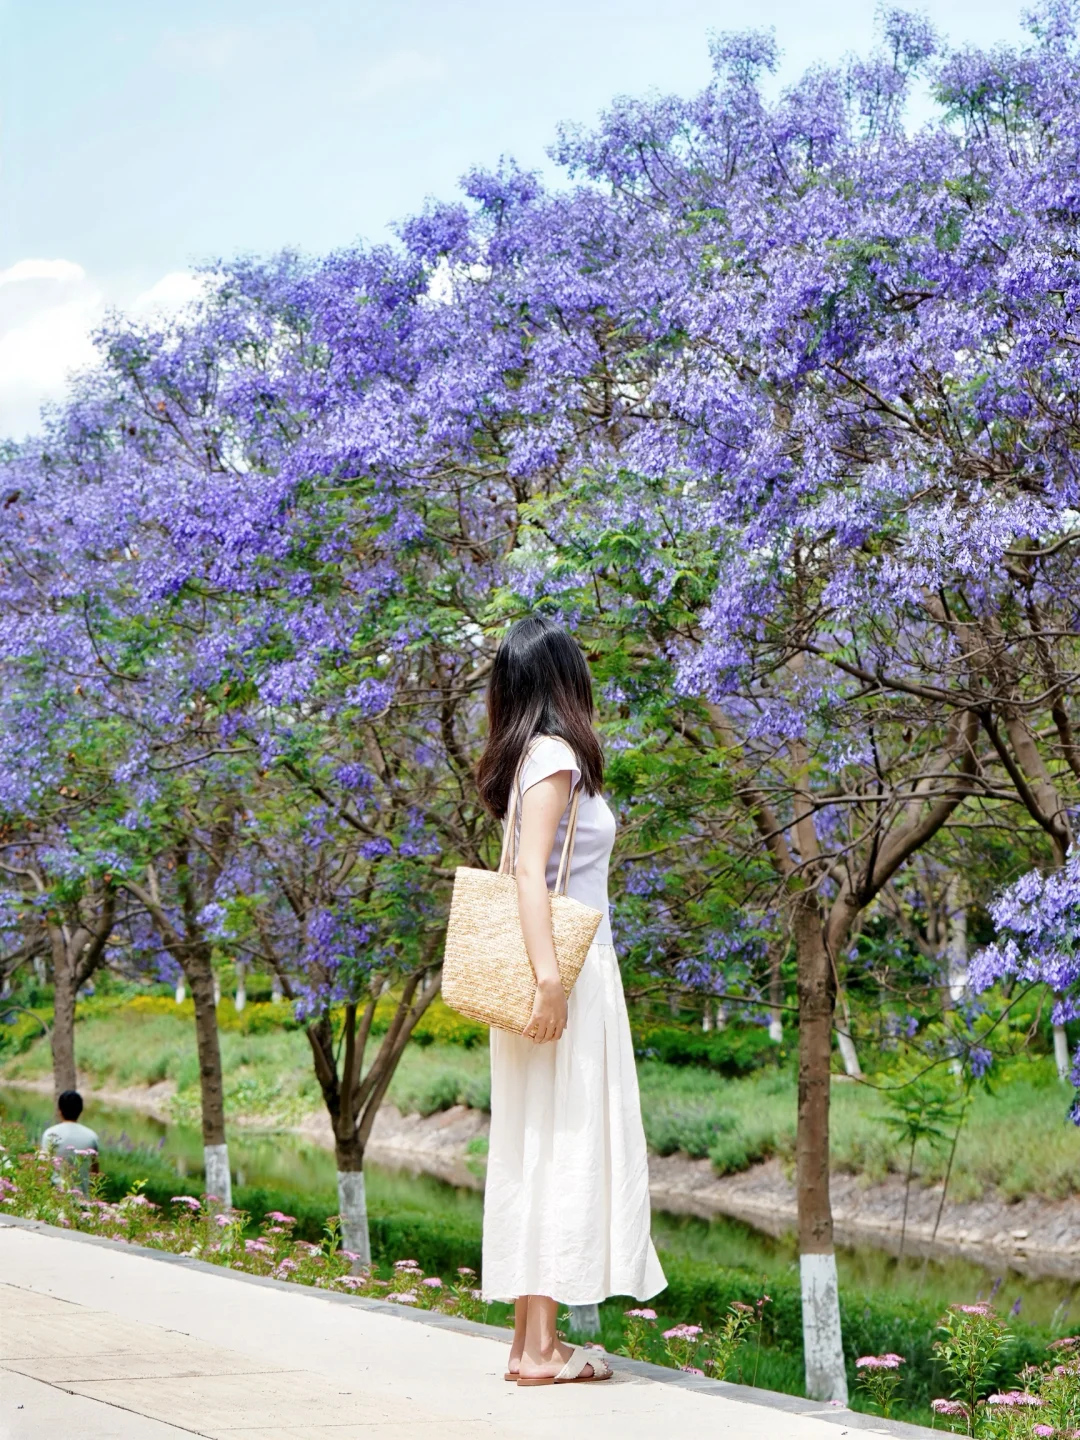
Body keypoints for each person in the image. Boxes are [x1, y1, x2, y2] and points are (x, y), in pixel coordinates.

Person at [475, 615, 665, 1386]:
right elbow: (528, 873)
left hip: (545, 970)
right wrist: (552, 980)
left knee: (534, 1145)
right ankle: (545, 1349)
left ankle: (529, 1345)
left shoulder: (527, 757)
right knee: (565, 1143)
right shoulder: (555, 757)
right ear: (564, 681)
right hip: (567, 972)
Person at [41, 1090, 100, 1194]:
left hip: (54, 1199)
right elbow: (94, 1173)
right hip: (83, 1200)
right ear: (81, 1110)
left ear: (59, 1110)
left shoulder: (49, 1135)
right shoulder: (91, 1136)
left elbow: (43, 1169)